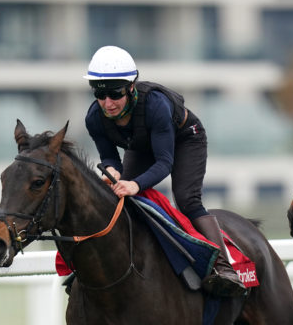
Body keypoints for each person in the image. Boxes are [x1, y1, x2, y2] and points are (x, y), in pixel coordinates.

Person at [83, 45, 245, 297]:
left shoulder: (155, 105)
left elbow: (164, 163)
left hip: (184, 139)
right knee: (120, 197)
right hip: (142, 144)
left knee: (186, 199)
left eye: (114, 94)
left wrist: (135, 184)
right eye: (100, 94)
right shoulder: (94, 117)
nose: (107, 103)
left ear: (130, 87)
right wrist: (114, 172)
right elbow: (109, 157)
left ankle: (225, 268)